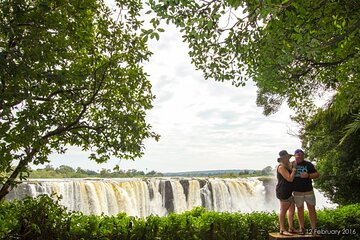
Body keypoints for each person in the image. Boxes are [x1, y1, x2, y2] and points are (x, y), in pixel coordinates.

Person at [292, 149, 319, 235]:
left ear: (303, 156)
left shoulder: (308, 164)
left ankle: (314, 229)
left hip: (308, 191)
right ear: (294, 156)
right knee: (300, 209)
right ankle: (302, 228)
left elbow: (317, 174)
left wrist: (308, 175)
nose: (299, 157)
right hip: (297, 192)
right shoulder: (291, 165)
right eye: (297, 155)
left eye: (300, 155)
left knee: (311, 209)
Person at [276, 150, 297, 236]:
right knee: (283, 210)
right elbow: (290, 179)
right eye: (285, 158)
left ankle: (291, 228)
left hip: (288, 191)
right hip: (283, 191)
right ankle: (282, 229)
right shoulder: (281, 167)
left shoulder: (287, 166)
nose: (287, 159)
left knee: (292, 209)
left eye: (288, 157)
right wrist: (294, 169)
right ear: (281, 159)